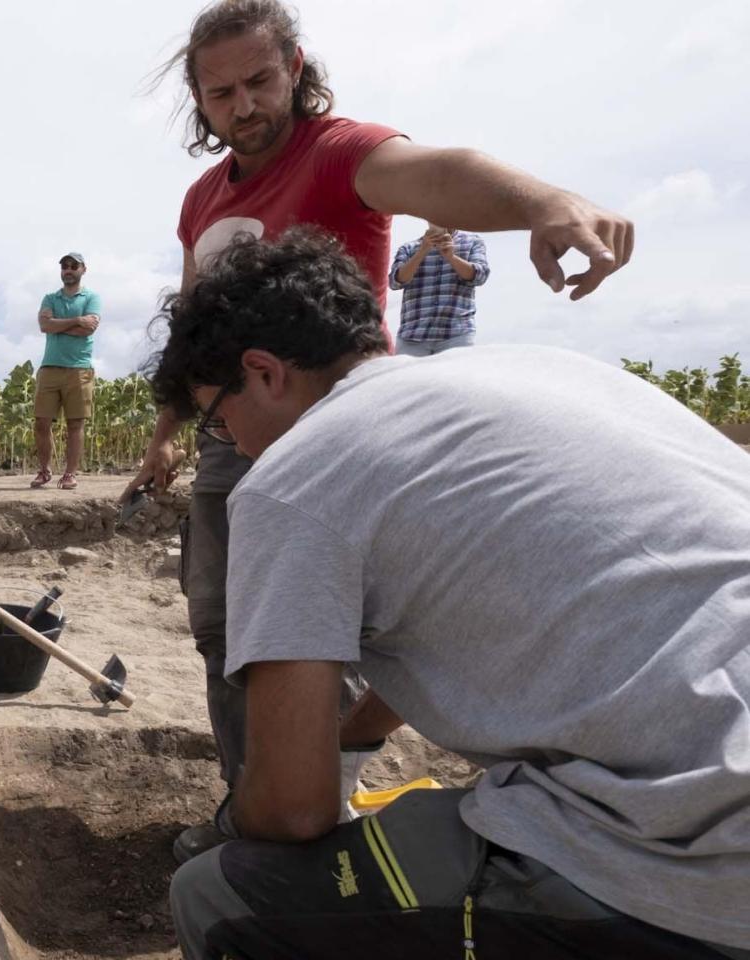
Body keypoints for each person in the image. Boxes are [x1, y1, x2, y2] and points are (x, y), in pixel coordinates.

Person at [131, 0, 634, 863]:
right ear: (199, 102)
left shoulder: (338, 151)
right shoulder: (202, 200)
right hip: (231, 439)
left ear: (293, 67)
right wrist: (169, 428)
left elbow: (440, 172)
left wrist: (546, 201)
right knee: (226, 630)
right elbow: (196, 327)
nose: (244, 105)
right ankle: (251, 799)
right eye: (221, 94)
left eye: (259, 80)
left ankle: (313, 813)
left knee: (325, 637)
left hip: (334, 439)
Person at [157, 228, 749, 960]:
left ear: (264, 372)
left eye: (218, 419)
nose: (233, 444)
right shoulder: (536, 373)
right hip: (719, 772)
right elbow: (477, 600)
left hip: (704, 855)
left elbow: (293, 807)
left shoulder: (294, 477)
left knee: (215, 893)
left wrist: (237, 812)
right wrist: (358, 734)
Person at [31, 251, 101, 490]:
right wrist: (76, 321)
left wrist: (58, 326)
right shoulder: (50, 298)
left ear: (83, 269)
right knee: (41, 422)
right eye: (64, 266)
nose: (68, 270)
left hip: (79, 369)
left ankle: (70, 474)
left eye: (73, 266)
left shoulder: (92, 298)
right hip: (49, 367)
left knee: (75, 424)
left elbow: (88, 329)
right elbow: (44, 325)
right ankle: (44, 470)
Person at [389, 222, 491, 355]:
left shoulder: (473, 242)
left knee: (455, 376)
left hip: (456, 335)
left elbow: (480, 276)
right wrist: (422, 252)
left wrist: (451, 257)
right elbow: (395, 282)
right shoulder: (409, 248)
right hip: (413, 337)